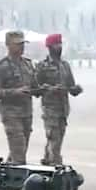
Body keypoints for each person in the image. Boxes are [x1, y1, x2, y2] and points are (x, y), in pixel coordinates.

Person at [0, 30, 38, 165]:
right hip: (11, 114)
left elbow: (34, 86)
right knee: (19, 151)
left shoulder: (28, 64)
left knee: (20, 149)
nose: (21, 47)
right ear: (8, 45)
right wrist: (15, 92)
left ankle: (6, 176)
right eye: (17, 44)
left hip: (27, 113)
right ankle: (18, 182)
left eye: (23, 44)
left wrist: (41, 89)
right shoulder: (1, 66)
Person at [35, 33, 83, 166]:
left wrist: (76, 89)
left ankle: (47, 161)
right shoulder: (42, 66)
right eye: (56, 45)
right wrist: (51, 89)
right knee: (54, 139)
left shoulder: (65, 65)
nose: (59, 47)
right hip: (50, 109)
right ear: (49, 47)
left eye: (60, 44)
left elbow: (71, 86)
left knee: (56, 139)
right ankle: (56, 166)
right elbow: (35, 89)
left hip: (63, 109)